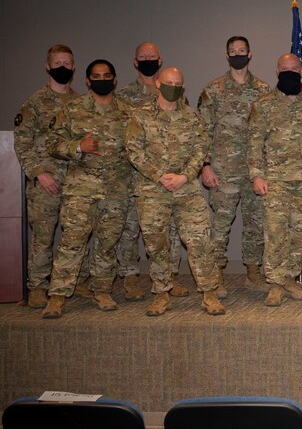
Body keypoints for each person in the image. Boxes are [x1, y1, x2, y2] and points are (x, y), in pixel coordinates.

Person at [125, 66, 224, 316]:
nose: (174, 87)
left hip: (186, 189)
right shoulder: (140, 116)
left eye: (178, 84)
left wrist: (185, 175)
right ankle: (161, 293)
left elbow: (201, 149)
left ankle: (209, 293)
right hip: (152, 190)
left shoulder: (192, 117)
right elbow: (134, 151)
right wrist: (159, 176)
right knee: (156, 244)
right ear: (158, 83)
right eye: (169, 82)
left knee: (200, 240)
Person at [41, 60, 132, 317]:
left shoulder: (129, 112)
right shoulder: (72, 109)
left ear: (114, 80)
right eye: (96, 76)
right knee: (72, 242)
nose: (101, 79)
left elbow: (139, 148)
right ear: (88, 81)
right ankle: (57, 295)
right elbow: (53, 143)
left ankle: (101, 290)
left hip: (116, 190)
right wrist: (78, 146)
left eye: (107, 75)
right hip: (82, 190)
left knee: (107, 243)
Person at [198, 36, 273, 295]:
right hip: (223, 170)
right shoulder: (214, 89)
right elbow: (202, 130)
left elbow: (269, 133)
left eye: (242, 51)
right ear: (226, 55)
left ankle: (253, 273)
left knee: (256, 223)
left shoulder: (264, 90)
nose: (238, 54)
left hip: (254, 171)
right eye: (233, 51)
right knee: (220, 225)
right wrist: (204, 166)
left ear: (250, 55)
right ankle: (215, 274)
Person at [115, 41, 185, 301]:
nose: (147, 60)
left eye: (152, 56)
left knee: (170, 232)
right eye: (142, 57)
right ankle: (131, 277)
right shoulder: (123, 97)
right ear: (135, 62)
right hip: (136, 176)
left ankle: (170, 278)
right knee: (131, 229)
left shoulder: (175, 92)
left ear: (160, 60)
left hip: (171, 177)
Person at [247, 53, 302, 307]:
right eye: (285, 68)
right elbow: (254, 143)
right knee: (276, 233)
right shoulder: (263, 104)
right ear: (277, 71)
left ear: (301, 71)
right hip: (274, 180)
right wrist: (256, 175)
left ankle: (289, 278)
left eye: (294, 68)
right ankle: (275, 285)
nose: (290, 72)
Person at [15, 44, 78, 308]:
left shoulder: (80, 102)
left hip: (74, 180)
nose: (62, 67)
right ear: (47, 66)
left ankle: (73, 282)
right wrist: (40, 174)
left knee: (75, 234)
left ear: (74, 67)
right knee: (42, 236)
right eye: (57, 63)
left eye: (67, 63)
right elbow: (22, 142)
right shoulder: (34, 102)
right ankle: (38, 286)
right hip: (46, 182)